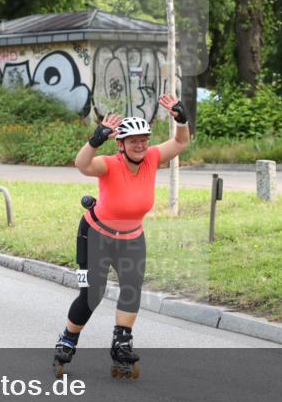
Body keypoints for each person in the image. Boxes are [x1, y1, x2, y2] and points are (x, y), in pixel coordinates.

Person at [53, 93, 191, 379]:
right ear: (121, 144)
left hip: (131, 238)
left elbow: (181, 142)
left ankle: (122, 344)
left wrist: (181, 118)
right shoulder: (109, 164)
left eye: (144, 139)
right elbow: (82, 165)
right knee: (92, 294)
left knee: (131, 289)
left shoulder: (152, 157)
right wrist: (94, 140)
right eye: (133, 141)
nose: (140, 145)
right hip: (96, 236)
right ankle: (68, 339)